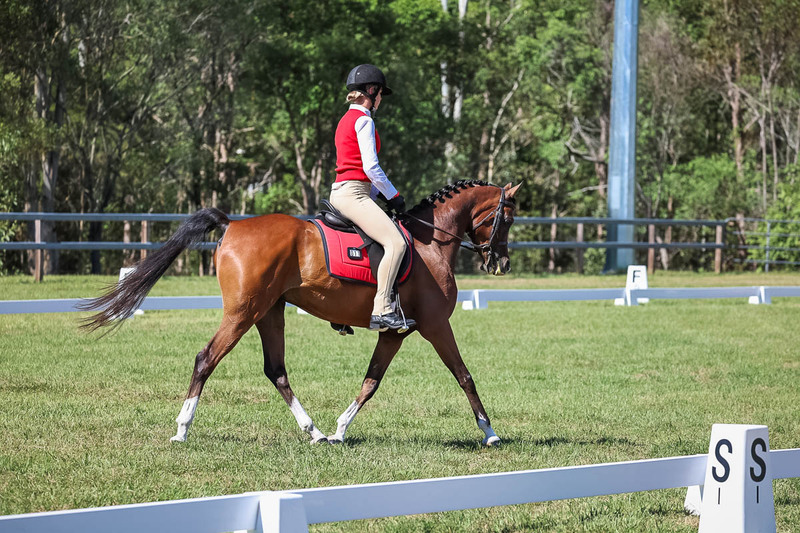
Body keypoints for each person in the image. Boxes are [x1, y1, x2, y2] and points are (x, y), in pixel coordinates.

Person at [330, 64, 415, 332]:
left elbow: (355, 169)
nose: (380, 100)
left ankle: (343, 306)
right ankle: (382, 309)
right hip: (354, 195)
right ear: (371, 91)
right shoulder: (364, 120)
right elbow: (370, 168)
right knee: (397, 243)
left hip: (344, 190)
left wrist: (381, 196)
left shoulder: (345, 119)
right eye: (380, 94)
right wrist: (395, 196)